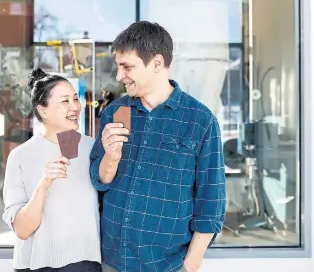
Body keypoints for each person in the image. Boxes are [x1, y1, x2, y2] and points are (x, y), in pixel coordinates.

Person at [89, 21, 226, 272]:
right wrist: (110, 156)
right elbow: (99, 180)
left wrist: (189, 266)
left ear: (157, 63)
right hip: (112, 261)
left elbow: (211, 201)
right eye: (119, 67)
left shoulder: (200, 120)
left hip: (166, 266)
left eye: (127, 67)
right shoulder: (115, 112)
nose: (119, 76)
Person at [2, 68, 102, 272]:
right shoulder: (21, 156)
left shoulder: (93, 148)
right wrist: (44, 184)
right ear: (43, 110)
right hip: (38, 264)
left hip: (85, 263)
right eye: (65, 101)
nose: (75, 107)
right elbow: (22, 230)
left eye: (75, 99)